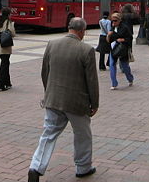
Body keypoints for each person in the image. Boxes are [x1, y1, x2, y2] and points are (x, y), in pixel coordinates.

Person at [28, 17, 99, 181]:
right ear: (82, 31)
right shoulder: (86, 50)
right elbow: (92, 81)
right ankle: (83, 167)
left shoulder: (52, 44)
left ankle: (36, 167)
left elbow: (44, 71)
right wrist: (94, 103)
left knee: (48, 134)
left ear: (69, 28)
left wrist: (48, 93)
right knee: (82, 135)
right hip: (77, 103)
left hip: (53, 99)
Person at [107, 12, 134, 90]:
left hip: (122, 49)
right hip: (113, 48)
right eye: (112, 20)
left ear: (119, 20)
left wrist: (123, 39)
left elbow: (130, 38)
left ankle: (130, 78)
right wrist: (109, 35)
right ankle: (114, 83)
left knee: (125, 66)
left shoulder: (124, 28)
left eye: (115, 20)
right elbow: (108, 40)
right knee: (112, 65)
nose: (114, 22)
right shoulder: (111, 28)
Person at [0, 7, 16, 91]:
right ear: (8, 14)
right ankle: (0, 85)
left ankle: (7, 83)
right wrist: (12, 25)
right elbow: (13, 33)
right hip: (5, 47)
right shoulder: (8, 22)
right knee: (4, 65)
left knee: (6, 63)